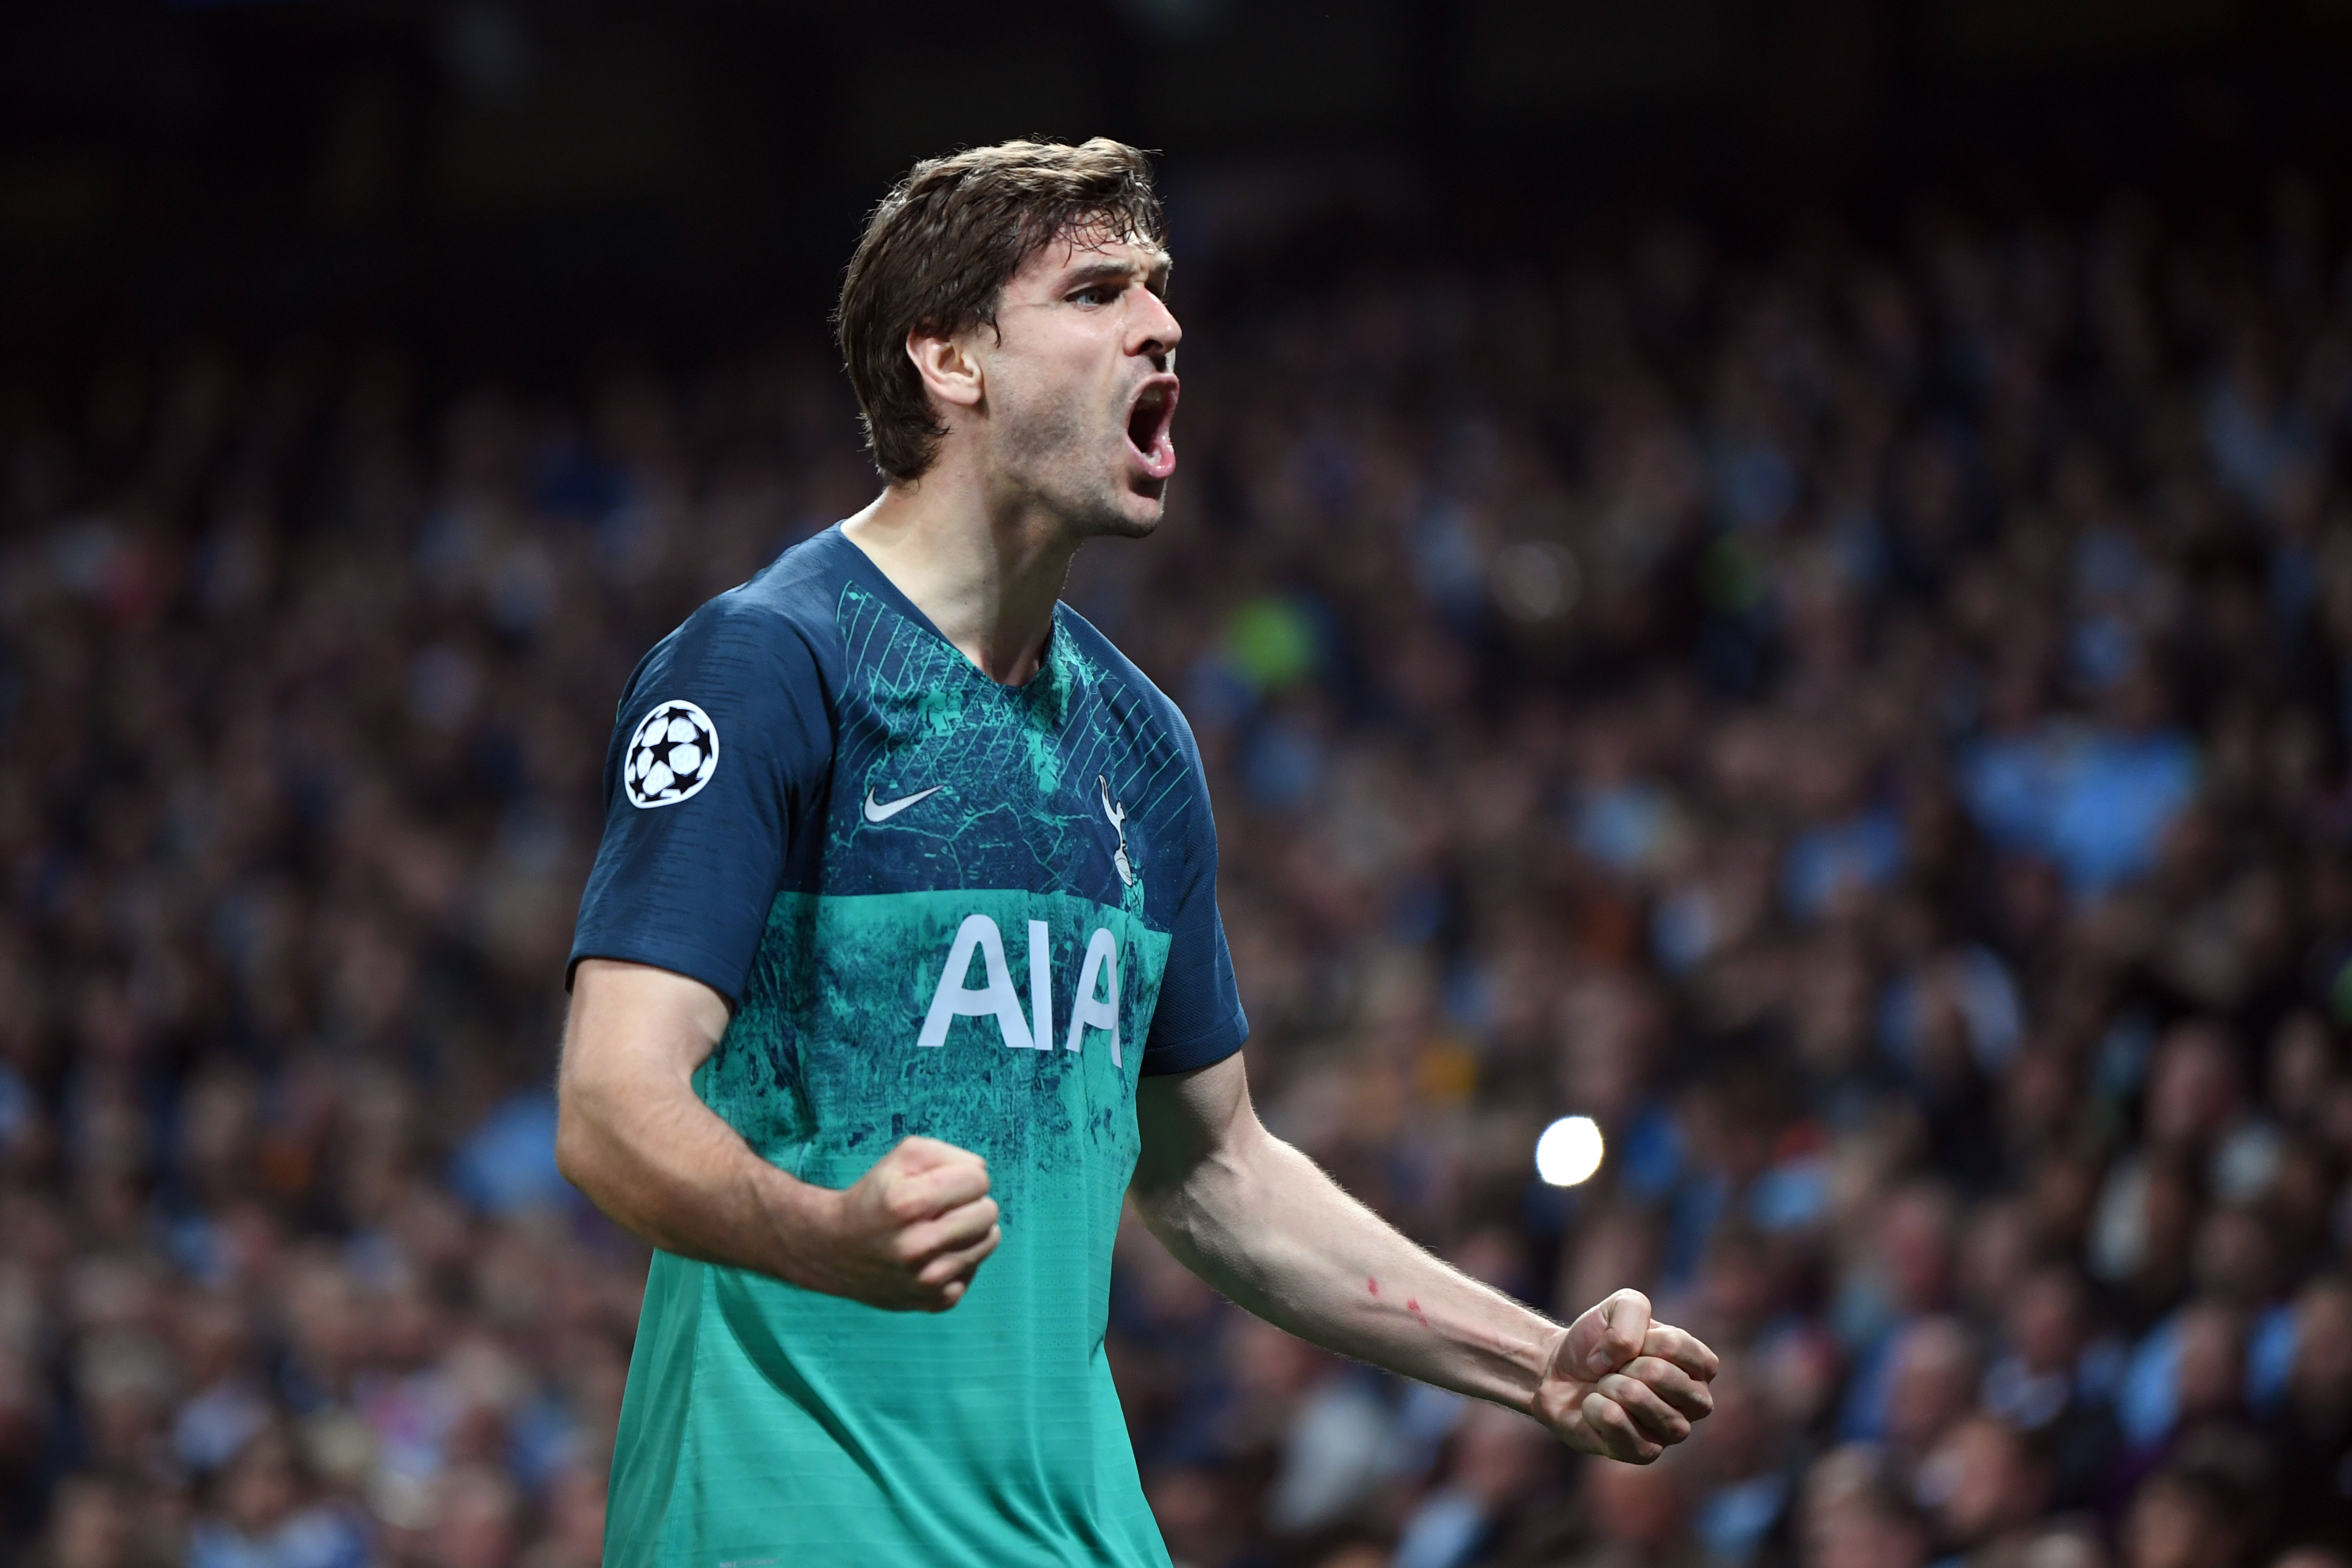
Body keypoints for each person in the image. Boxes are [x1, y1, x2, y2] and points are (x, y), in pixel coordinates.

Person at [554, 137, 1719, 1566]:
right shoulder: (769, 663)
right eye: (1097, 291)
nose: (1162, 324)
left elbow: (1213, 1169)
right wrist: (816, 1233)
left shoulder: (1139, 742)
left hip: (1074, 1535)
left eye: (1158, 289)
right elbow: (611, 1102)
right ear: (951, 360)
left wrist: (1530, 1361)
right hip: (791, 1522)